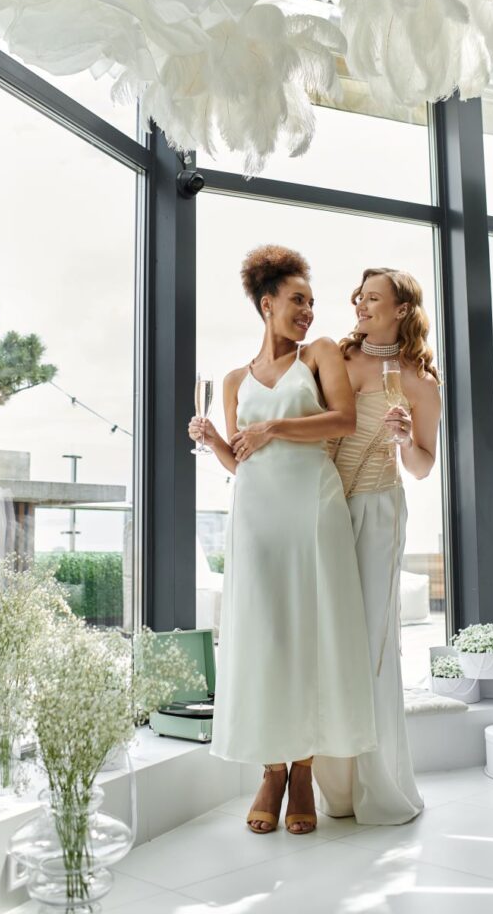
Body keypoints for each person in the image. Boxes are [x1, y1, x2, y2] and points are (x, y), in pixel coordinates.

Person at [189, 245, 377, 836]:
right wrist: (214, 438)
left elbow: (343, 420)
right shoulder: (234, 378)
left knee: (309, 633)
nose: (309, 312)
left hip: (312, 511)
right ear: (266, 304)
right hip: (256, 517)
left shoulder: (318, 355)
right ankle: (270, 769)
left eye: (313, 302)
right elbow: (240, 462)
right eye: (298, 301)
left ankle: (302, 770)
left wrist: (273, 425)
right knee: (264, 637)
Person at [313, 267, 441, 825]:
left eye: (373, 299)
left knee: (371, 641)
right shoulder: (337, 360)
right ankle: (333, 790)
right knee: (327, 638)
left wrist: (402, 437)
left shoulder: (420, 383)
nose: (361, 306)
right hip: (326, 503)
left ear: (401, 311)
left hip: (380, 508)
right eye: (359, 298)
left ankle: (378, 783)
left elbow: (422, 465)